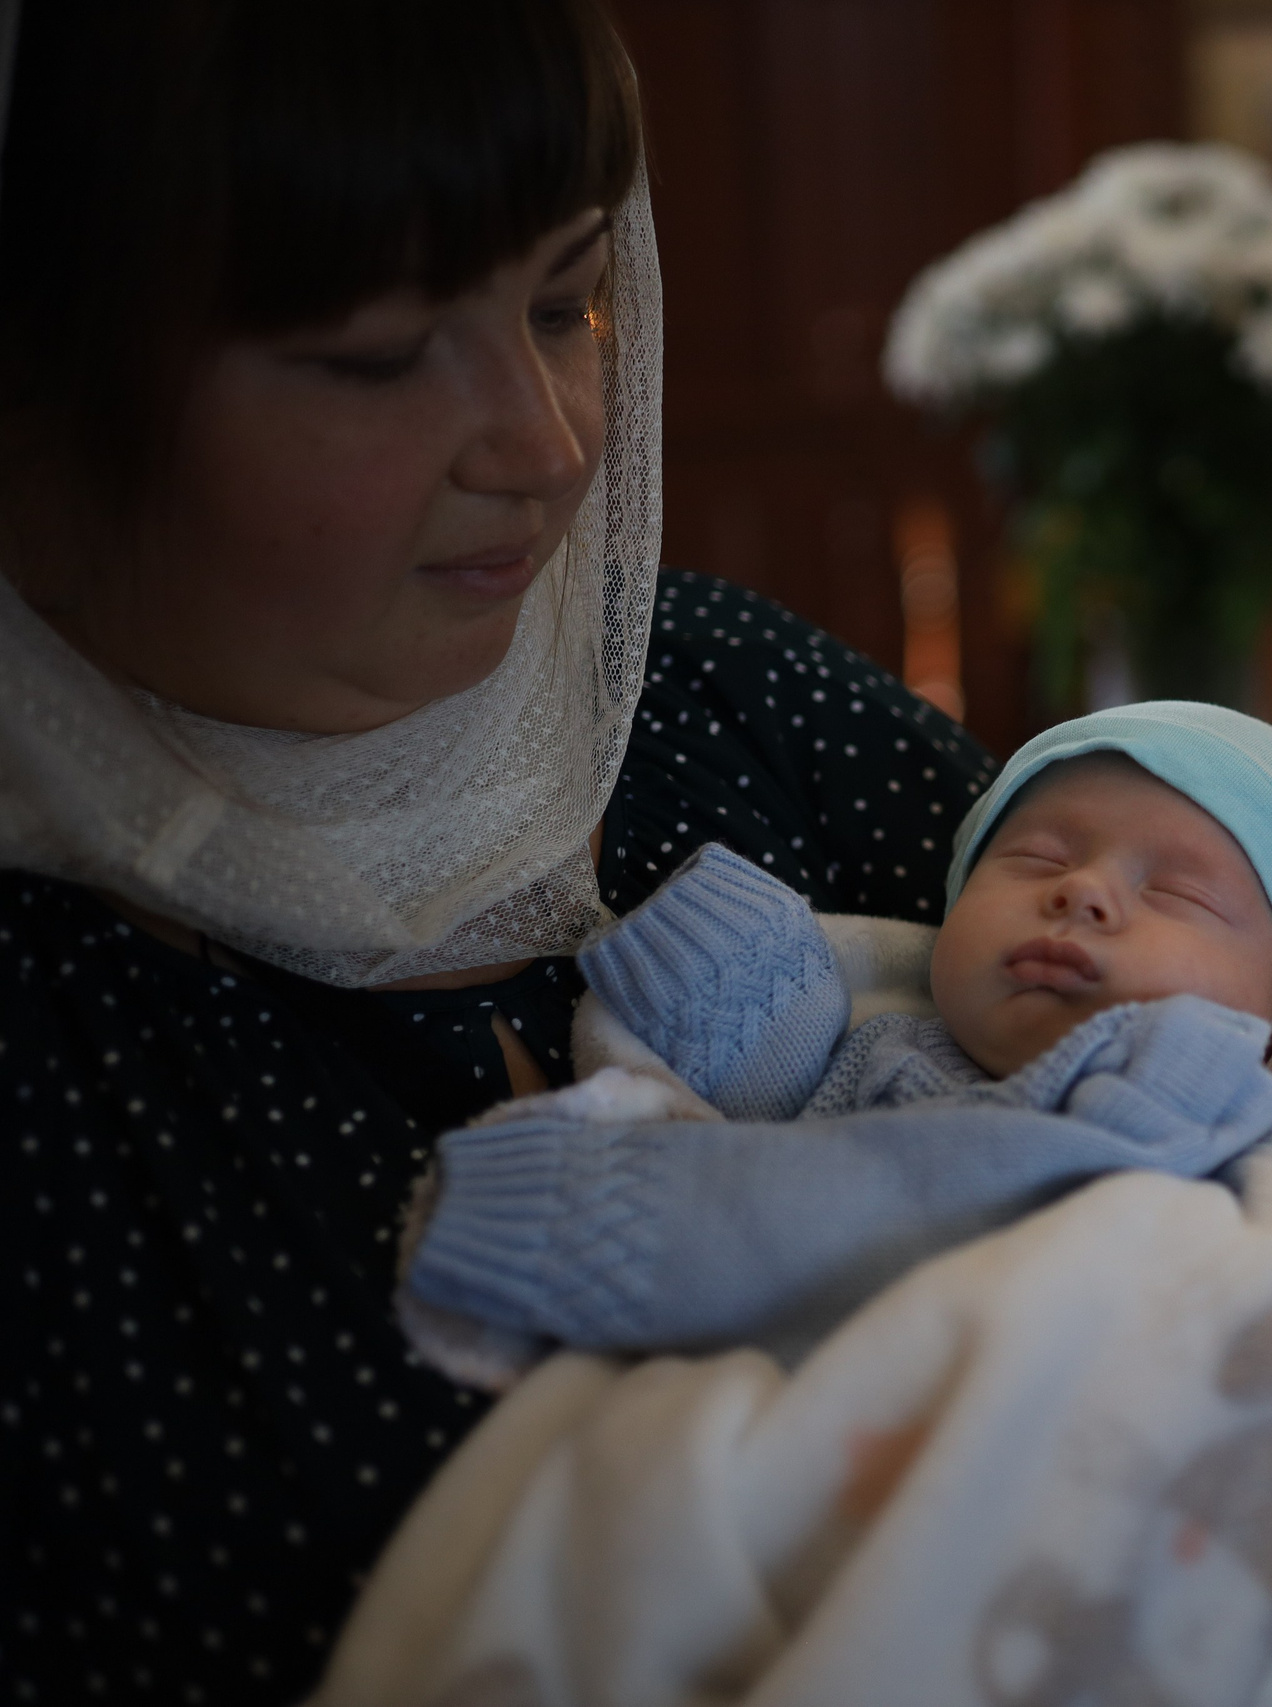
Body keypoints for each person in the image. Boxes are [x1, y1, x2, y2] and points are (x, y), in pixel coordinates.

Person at [0, 5, 987, 1700]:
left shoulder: (721, 702)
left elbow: (1264, 1079)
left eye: (563, 301)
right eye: (376, 354)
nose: (545, 444)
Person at [398, 704, 1272, 1371]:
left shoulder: (1182, 1090)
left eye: (1177, 892)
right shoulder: (888, 1043)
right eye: (1035, 856)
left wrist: (566, 1216)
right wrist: (722, 961)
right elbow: (772, 1106)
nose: (1082, 891)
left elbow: (909, 1202)